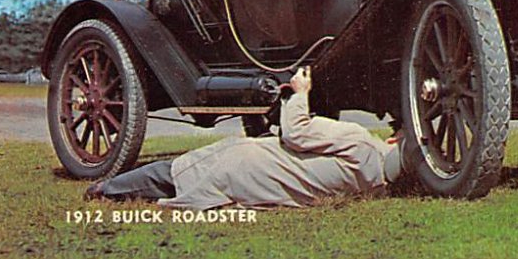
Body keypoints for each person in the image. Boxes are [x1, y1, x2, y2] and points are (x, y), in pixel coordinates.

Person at [85, 67, 406, 209]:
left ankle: (105, 189)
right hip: (261, 190)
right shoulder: (378, 185)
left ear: (392, 142)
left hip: (247, 164)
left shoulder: (360, 141)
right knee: (182, 178)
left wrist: (301, 93)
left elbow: (295, 133)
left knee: (173, 172)